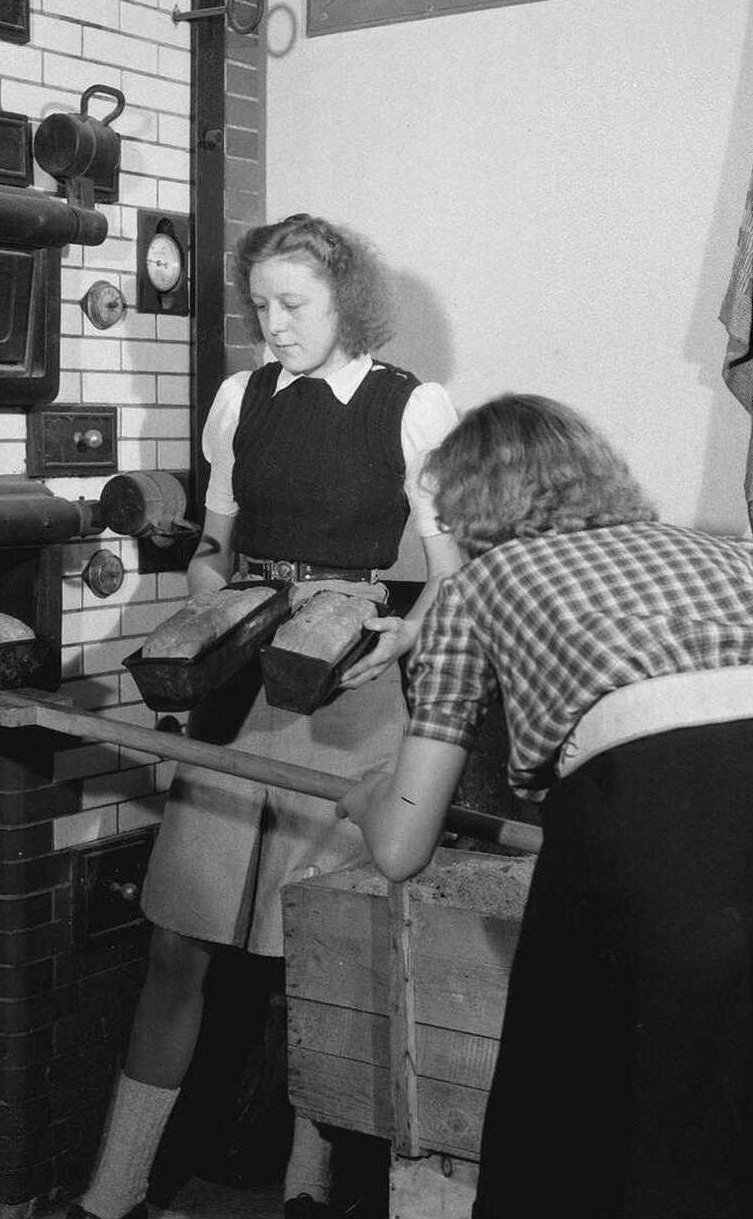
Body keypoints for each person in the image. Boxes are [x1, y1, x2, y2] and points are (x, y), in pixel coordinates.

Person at [339, 392, 753, 1219]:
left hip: (646, 823)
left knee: (605, 1132)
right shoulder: (714, 551)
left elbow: (401, 846)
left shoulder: (479, 584)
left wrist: (367, 800)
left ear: (468, 503)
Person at [69, 214, 461, 1219]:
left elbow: (454, 576)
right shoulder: (241, 397)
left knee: (320, 965)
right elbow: (215, 538)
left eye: (294, 306)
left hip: (349, 694)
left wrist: (398, 634)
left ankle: (303, 1194)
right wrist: (209, 578)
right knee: (174, 945)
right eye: (259, 307)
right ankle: (110, 1194)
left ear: (348, 304)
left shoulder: (412, 409)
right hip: (236, 681)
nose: (272, 325)